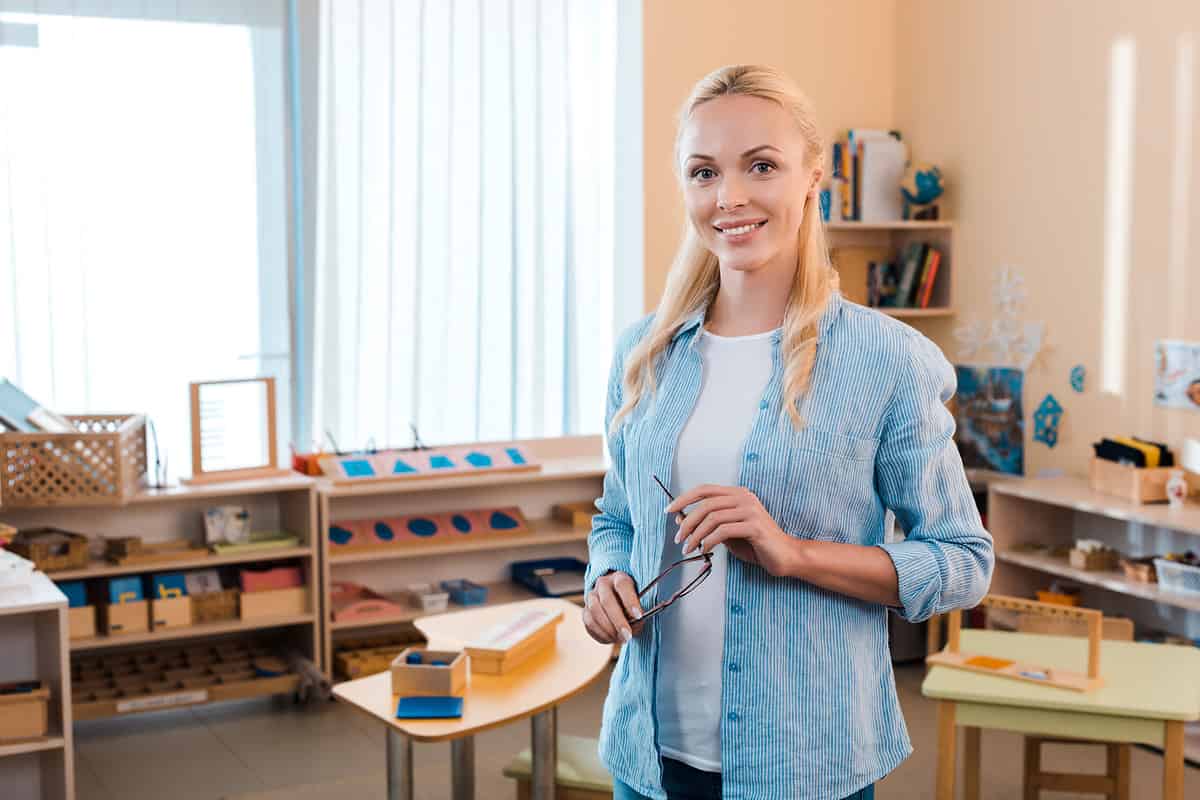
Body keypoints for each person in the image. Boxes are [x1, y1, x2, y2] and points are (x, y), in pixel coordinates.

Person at [582, 64, 994, 800]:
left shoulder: (888, 359)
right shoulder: (643, 352)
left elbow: (963, 561)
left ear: (815, 175)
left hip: (808, 765)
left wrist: (794, 553)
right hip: (647, 761)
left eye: (760, 166)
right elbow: (616, 516)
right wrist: (606, 579)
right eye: (704, 171)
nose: (729, 197)